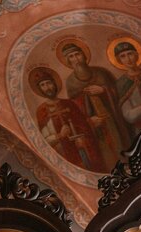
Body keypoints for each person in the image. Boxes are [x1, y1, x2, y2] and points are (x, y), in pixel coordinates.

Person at [58, 39, 128, 168]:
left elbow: (120, 92)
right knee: (104, 152)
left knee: (119, 143)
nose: (76, 59)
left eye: (77, 54)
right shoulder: (71, 82)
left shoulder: (101, 72)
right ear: (68, 61)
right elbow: (75, 108)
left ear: (84, 55)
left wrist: (103, 90)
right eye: (71, 56)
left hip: (112, 117)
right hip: (93, 123)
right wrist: (89, 120)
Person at [29, 66, 105, 172]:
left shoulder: (69, 103)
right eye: (43, 85)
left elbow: (83, 124)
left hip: (81, 147)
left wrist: (86, 131)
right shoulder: (42, 111)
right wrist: (60, 135)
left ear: (54, 83)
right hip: (62, 153)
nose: (47, 87)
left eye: (49, 83)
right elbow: (45, 139)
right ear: (40, 89)